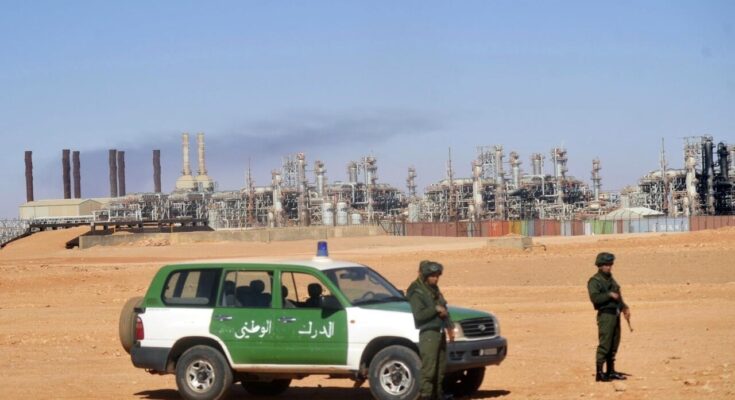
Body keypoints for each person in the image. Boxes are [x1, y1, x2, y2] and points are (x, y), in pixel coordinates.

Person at [407, 260, 455, 400]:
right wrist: (435, 309)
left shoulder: (434, 289)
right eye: (432, 276)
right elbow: (419, 315)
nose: (435, 278)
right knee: (429, 369)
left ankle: (438, 394)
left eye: (437, 275)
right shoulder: (416, 291)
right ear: (424, 275)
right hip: (429, 333)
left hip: (440, 332)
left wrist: (450, 326)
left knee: (440, 368)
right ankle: (426, 395)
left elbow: (444, 308)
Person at [587, 252, 630, 382]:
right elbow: (595, 298)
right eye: (606, 264)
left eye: (610, 264)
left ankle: (610, 371)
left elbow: (618, 294)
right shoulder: (595, 281)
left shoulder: (611, 279)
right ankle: (600, 373)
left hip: (615, 314)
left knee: (614, 344)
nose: (609, 267)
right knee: (605, 344)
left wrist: (624, 307)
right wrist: (609, 295)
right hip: (605, 315)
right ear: (600, 266)